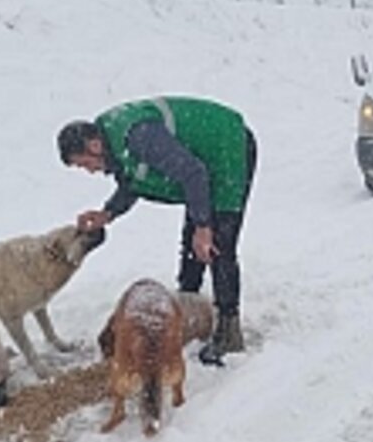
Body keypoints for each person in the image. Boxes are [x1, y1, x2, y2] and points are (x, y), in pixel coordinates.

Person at [57, 96, 257, 366]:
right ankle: (189, 311)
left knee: (218, 244)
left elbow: (193, 173)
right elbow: (134, 180)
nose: (90, 171)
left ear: (94, 145)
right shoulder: (115, 143)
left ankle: (229, 333)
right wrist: (108, 213)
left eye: (85, 164)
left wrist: (203, 226)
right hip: (201, 163)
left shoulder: (139, 137)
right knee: (193, 243)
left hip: (227, 149)